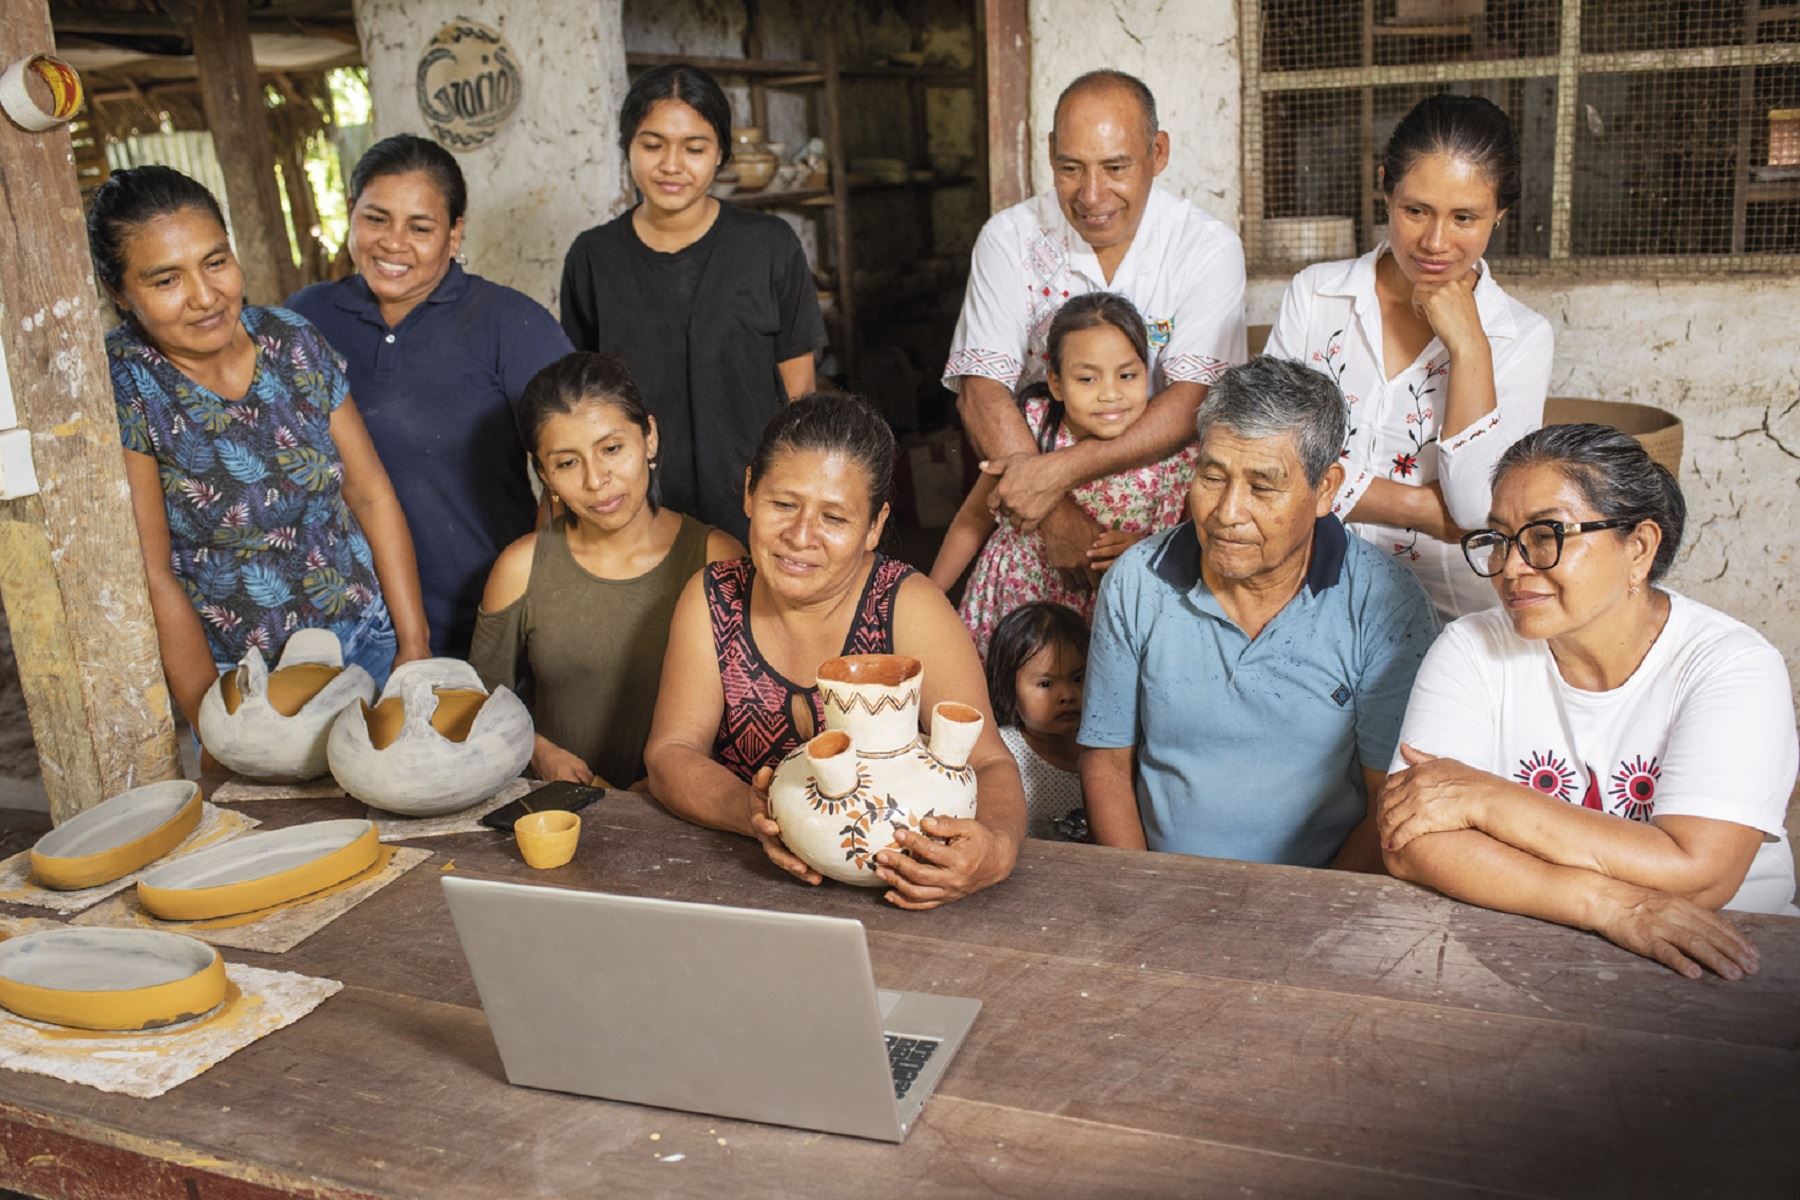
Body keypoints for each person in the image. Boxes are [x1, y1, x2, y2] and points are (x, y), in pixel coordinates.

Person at [1379, 424, 1796, 980]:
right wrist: (1606, 904)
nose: (1511, 567)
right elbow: (1411, 842)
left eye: (1547, 534)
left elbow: (1700, 876)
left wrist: (1486, 800)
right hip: (1529, 942)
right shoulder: (1471, 648)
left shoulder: (1731, 665)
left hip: (1727, 956)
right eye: (1500, 538)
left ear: (1639, 548)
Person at [644, 394, 1025, 910]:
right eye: (783, 504)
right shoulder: (713, 598)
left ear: (873, 526)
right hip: (750, 888)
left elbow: (989, 762)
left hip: (898, 897)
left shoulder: (908, 607)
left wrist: (996, 849)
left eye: (835, 518)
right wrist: (754, 815)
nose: (801, 537)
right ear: (751, 493)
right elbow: (670, 753)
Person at [90, 165, 429, 726]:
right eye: (166, 280)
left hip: (366, 640)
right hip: (245, 685)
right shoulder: (126, 384)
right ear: (120, 294)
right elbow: (155, 577)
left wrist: (412, 644)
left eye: (215, 262)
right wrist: (212, 724)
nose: (204, 297)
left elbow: (370, 495)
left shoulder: (290, 339)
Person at [1079, 356, 1439, 870]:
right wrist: (1143, 894)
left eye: (1263, 487)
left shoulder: (1385, 602)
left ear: (1327, 489)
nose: (1227, 513)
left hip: (1323, 901)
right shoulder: (1137, 580)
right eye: (1212, 476)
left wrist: (1305, 918)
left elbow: (1391, 799)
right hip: (1162, 890)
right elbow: (1106, 759)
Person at [944, 69, 1245, 589]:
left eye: (1116, 167)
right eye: (1070, 168)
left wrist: (1058, 474)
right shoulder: (1009, 238)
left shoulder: (1206, 247)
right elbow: (981, 389)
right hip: (1030, 514)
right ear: (1049, 152)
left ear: (1158, 153)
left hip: (1155, 512)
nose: (1091, 194)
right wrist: (1054, 515)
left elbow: (1195, 398)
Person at [1267, 93, 1554, 620]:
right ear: (1385, 188)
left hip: (1449, 614)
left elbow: (1474, 510)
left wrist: (1469, 346)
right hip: (1302, 599)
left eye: (1465, 217)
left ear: (1500, 216)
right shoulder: (1316, 297)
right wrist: (1419, 507)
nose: (1435, 242)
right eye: (1416, 210)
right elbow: (1266, 458)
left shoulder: (1522, 337)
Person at [289, 134, 572, 659]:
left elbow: (571, 472)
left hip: (484, 621)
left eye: (420, 227)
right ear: (351, 215)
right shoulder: (307, 319)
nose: (394, 243)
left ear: (454, 233)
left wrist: (527, 600)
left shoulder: (511, 324)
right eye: (376, 218)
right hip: (344, 627)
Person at [560, 63, 827, 544]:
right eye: (652, 144)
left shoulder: (769, 247)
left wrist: (791, 503)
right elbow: (581, 405)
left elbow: (800, 393)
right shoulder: (593, 258)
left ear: (721, 152)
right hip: (634, 518)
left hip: (751, 511)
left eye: (694, 148)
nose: (671, 165)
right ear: (628, 147)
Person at [470, 353, 743, 789]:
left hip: (692, 825)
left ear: (649, 438)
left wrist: (672, 784)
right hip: (560, 814)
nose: (596, 481)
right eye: (566, 463)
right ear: (543, 473)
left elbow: (753, 718)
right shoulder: (520, 569)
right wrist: (539, 751)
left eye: (612, 449)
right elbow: (479, 704)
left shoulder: (717, 559)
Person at [930, 293, 1196, 654]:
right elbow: (974, 518)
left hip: (1105, 625)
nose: (1110, 394)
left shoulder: (1172, 454)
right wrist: (929, 597)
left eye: (1127, 375)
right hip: (1014, 611)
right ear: (1055, 382)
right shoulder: (1033, 431)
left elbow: (1192, 544)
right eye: (1087, 379)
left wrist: (1144, 550)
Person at [984, 602, 1088, 840]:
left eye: (1077, 678)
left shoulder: (1105, 748)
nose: (1067, 696)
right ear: (1008, 687)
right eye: (1046, 684)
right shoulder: (999, 751)